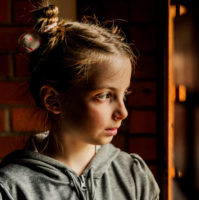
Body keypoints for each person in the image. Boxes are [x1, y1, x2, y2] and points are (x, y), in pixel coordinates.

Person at [0, 4, 159, 200]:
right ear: (53, 100)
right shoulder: (11, 188)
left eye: (123, 94)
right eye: (104, 95)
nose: (123, 112)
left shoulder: (134, 176)